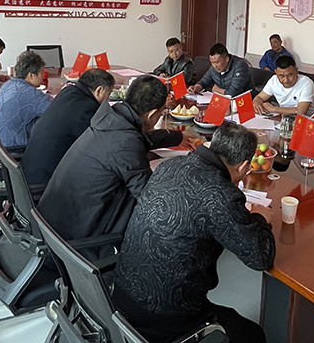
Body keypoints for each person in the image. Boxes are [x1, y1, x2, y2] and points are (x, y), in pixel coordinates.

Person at [113, 121, 275, 343]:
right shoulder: (221, 195)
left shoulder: (170, 166)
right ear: (244, 166)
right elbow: (260, 257)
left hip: (122, 296)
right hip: (163, 315)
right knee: (253, 335)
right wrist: (261, 218)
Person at [36, 75, 196, 248]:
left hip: (53, 224)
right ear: (151, 114)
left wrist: (177, 136)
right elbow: (149, 197)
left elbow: (137, 138)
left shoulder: (110, 119)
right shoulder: (126, 142)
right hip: (77, 241)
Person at [22, 68, 115, 188]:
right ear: (99, 90)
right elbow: (98, 146)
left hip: (29, 171)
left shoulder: (68, 91)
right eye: (108, 94)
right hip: (45, 183)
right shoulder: (87, 108)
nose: (107, 100)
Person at [0, 50, 51, 150]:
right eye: (41, 72)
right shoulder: (31, 94)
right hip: (12, 151)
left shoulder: (8, 85)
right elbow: (55, 111)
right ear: (31, 75)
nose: (43, 76)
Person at [190, 43, 254, 97]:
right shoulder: (214, 67)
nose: (214, 66)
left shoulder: (240, 66)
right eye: (212, 62)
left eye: (217, 62)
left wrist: (217, 90)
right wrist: (196, 88)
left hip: (243, 102)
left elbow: (233, 93)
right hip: (222, 100)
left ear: (226, 59)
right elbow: (204, 81)